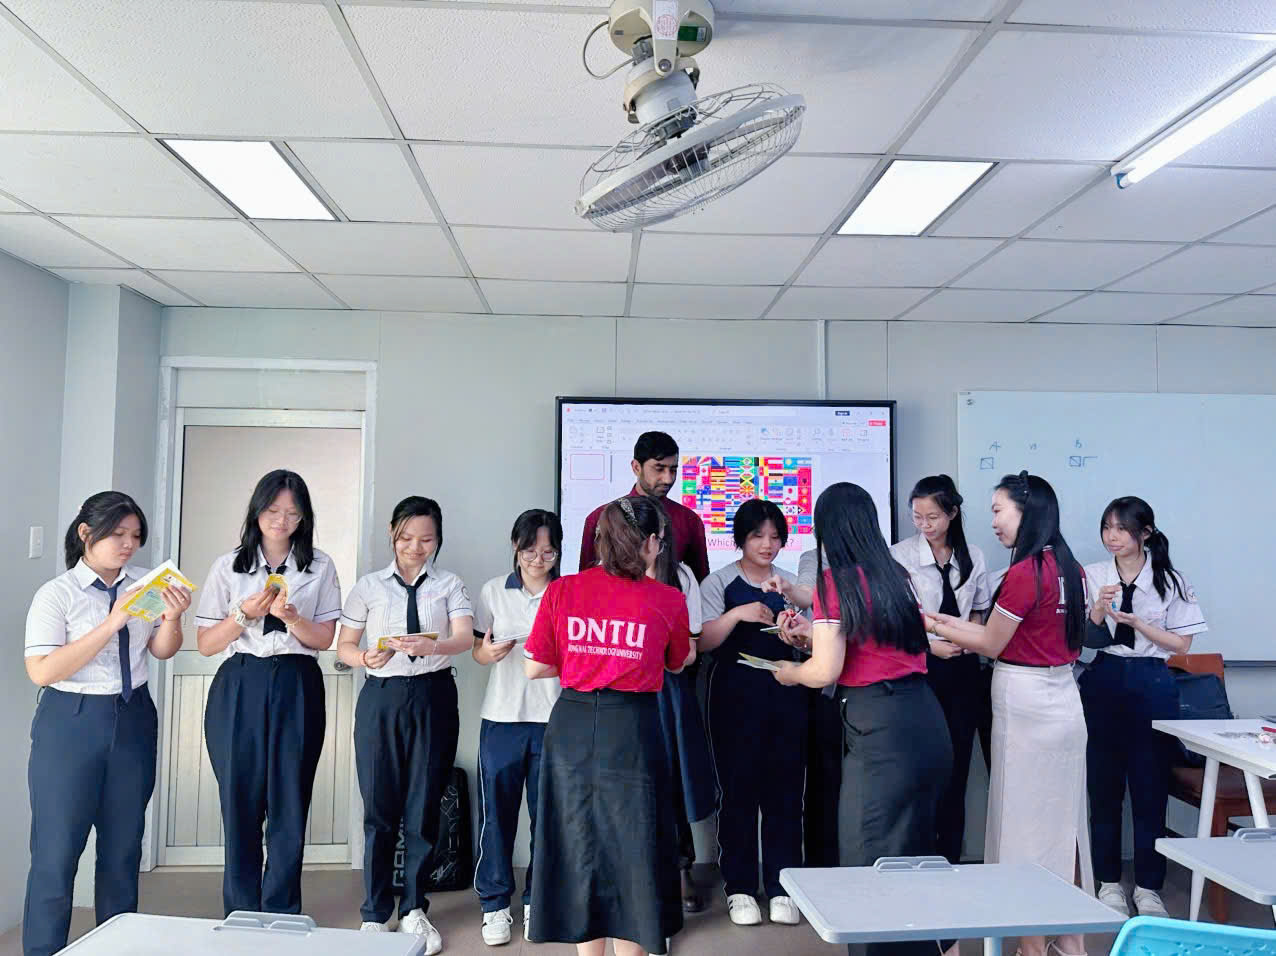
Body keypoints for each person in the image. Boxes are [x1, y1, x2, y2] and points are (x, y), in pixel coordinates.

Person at [773, 482, 951, 956]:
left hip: (880, 731)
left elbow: (824, 672)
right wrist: (812, 637)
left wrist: (790, 671)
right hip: (925, 720)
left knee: (867, 857)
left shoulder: (835, 582)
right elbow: (874, 643)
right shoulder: (896, 575)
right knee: (912, 856)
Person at [926, 471, 1091, 956]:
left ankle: (1032, 944)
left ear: (1027, 510)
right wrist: (944, 621)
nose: (994, 521)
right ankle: (1070, 941)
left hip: (1026, 702)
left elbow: (991, 642)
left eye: (999, 510)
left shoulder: (1024, 573)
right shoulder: (1071, 568)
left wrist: (932, 627)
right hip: (1064, 700)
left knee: (1023, 826)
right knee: (1064, 826)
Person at [525, 495, 694, 956]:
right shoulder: (667, 599)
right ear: (652, 543)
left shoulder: (563, 590)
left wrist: (586, 660)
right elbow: (677, 662)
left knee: (579, 843)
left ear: (601, 540)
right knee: (633, 845)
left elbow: (535, 666)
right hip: (633, 727)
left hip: (572, 725)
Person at [22, 492, 189, 956]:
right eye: (118, 534)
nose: (128, 544)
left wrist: (173, 618)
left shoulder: (145, 585)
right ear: (85, 533)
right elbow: (42, 671)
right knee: (56, 854)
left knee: (122, 851)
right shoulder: (57, 594)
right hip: (70, 722)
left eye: (135, 536)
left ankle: (117, 948)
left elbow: (161, 650)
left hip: (133, 717)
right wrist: (113, 622)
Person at [195, 470, 342, 917]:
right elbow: (206, 644)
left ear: (304, 518)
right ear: (257, 511)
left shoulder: (320, 565)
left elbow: (325, 638)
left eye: (292, 513)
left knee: (290, 800)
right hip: (241, 681)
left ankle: (280, 910)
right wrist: (243, 615)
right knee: (239, 800)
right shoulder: (228, 566)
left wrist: (293, 618)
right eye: (273, 510)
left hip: (297, 682)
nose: (281, 521)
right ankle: (241, 911)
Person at [335, 496, 473, 953]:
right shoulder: (368, 586)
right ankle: (375, 913)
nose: (416, 547)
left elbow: (462, 637)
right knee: (378, 808)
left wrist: (434, 647)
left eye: (426, 539)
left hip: (434, 695)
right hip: (382, 698)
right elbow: (344, 646)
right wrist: (365, 657)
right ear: (392, 535)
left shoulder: (450, 584)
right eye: (407, 538)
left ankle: (414, 908)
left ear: (438, 540)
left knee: (423, 806)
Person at [1081, 497, 1206, 919]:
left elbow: (1182, 644)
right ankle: (1108, 882)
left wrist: (1141, 625)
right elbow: (1085, 640)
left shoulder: (1170, 580)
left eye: (1121, 528)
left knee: (1150, 788)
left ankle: (1149, 888)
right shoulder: (1092, 575)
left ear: (1145, 533)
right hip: (1104, 679)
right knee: (1103, 787)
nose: (1112, 537)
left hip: (1152, 681)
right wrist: (1098, 610)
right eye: (1107, 527)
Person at [699, 498, 805, 927]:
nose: (767, 544)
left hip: (787, 690)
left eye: (775, 536)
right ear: (740, 538)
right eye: (758, 535)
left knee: (785, 791)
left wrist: (796, 635)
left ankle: (782, 886)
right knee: (737, 790)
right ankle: (739, 887)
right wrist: (738, 614)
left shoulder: (791, 584)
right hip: (734, 693)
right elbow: (703, 641)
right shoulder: (720, 582)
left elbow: (813, 641)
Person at [471, 509, 564, 946]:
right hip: (502, 717)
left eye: (548, 552)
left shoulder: (567, 592)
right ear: (515, 546)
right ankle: (494, 905)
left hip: (555, 717)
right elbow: (477, 651)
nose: (538, 560)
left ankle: (537, 902)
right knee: (497, 816)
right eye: (529, 551)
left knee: (548, 818)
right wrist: (488, 654)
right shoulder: (493, 590)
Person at [890, 475, 992, 865]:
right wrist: (930, 645)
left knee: (957, 765)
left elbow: (980, 610)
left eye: (932, 516)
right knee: (920, 765)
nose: (924, 525)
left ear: (952, 513)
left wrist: (970, 639)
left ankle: (949, 856)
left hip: (964, 669)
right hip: (920, 666)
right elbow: (896, 618)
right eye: (917, 517)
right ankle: (917, 856)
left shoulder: (974, 556)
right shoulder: (900, 556)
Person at [763, 546, 841, 868]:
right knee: (824, 782)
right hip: (832, 695)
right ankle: (823, 868)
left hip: (862, 697)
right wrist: (806, 633)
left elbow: (828, 666)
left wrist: (792, 673)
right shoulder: (815, 559)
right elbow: (808, 595)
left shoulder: (878, 571)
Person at [578, 430, 709, 583]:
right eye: (659, 469)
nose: (668, 479)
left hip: (669, 599)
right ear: (636, 467)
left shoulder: (689, 521)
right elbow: (584, 582)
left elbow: (701, 585)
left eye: (673, 470)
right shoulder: (599, 518)